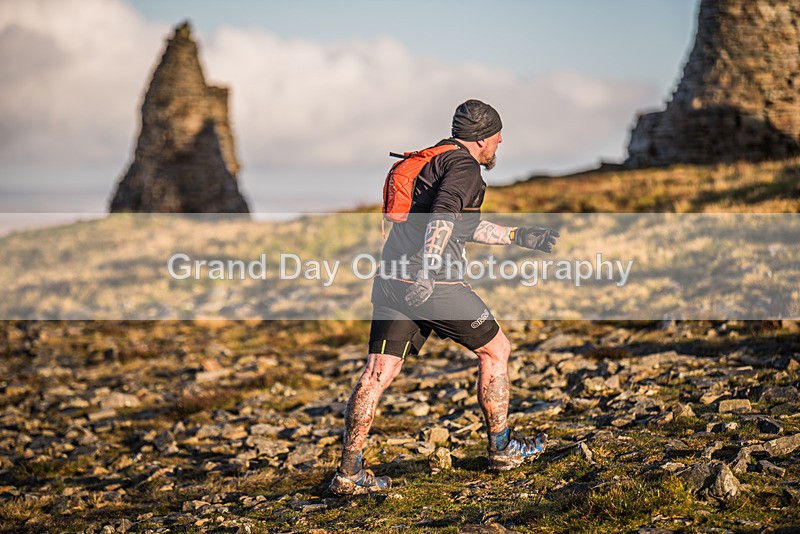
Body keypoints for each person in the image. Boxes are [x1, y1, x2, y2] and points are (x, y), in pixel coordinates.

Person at [329, 99, 560, 495]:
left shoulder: (434, 161)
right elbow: (444, 215)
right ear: (482, 138)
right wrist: (430, 267)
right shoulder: (466, 167)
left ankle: (349, 474)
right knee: (496, 350)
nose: (500, 143)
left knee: (377, 373)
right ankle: (502, 448)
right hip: (433, 283)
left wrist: (519, 236)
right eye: (497, 139)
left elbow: (462, 225)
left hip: (392, 281)